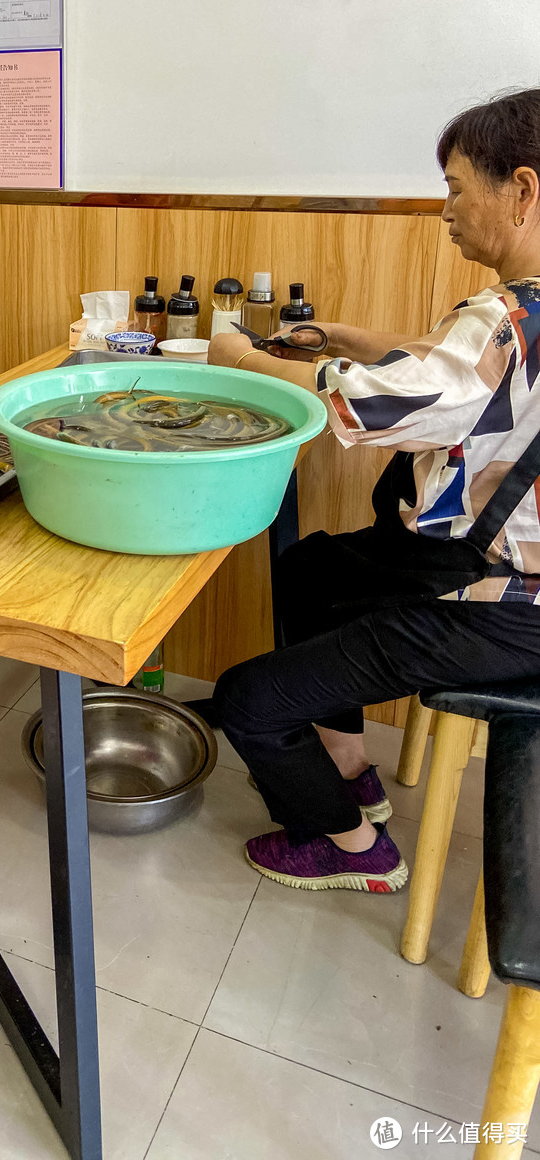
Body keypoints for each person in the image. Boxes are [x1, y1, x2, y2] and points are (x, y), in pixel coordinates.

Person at [206, 88, 540, 893]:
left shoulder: (508, 316)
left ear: (521, 192)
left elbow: (363, 403)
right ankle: (348, 764)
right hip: (483, 567)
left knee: (247, 700)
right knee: (311, 571)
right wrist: (348, 336)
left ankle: (354, 847)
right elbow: (463, 374)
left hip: (500, 601)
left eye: (457, 189)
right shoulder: (519, 318)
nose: (447, 211)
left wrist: (236, 355)